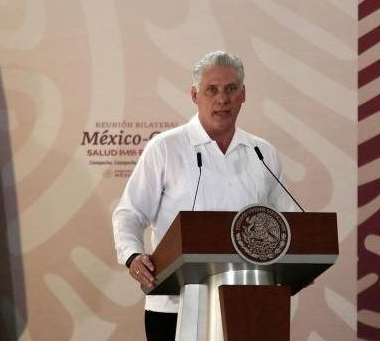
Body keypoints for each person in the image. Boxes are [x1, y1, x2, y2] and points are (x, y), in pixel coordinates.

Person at [112, 51, 294, 341]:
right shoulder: (165, 148)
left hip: (249, 305)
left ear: (243, 94)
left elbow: (290, 223)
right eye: (212, 90)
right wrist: (132, 255)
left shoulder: (262, 154)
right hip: (175, 306)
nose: (222, 99)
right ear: (195, 95)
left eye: (231, 89)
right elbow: (129, 213)